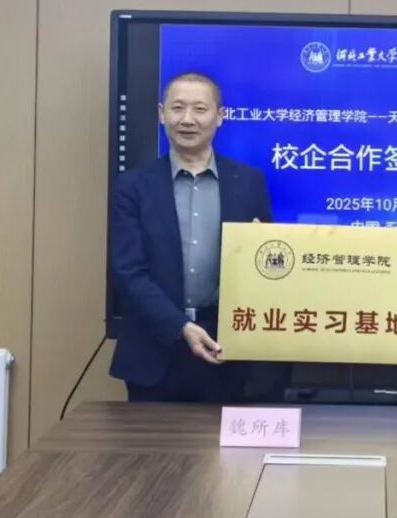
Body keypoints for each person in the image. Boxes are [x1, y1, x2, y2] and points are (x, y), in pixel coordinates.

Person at [109, 71, 274, 402]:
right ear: (162, 114)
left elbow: (268, 265)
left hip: (227, 350)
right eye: (177, 108)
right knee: (152, 439)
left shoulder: (248, 182)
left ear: (220, 116)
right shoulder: (133, 186)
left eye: (199, 109)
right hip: (154, 351)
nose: (187, 119)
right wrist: (180, 326)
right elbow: (128, 273)